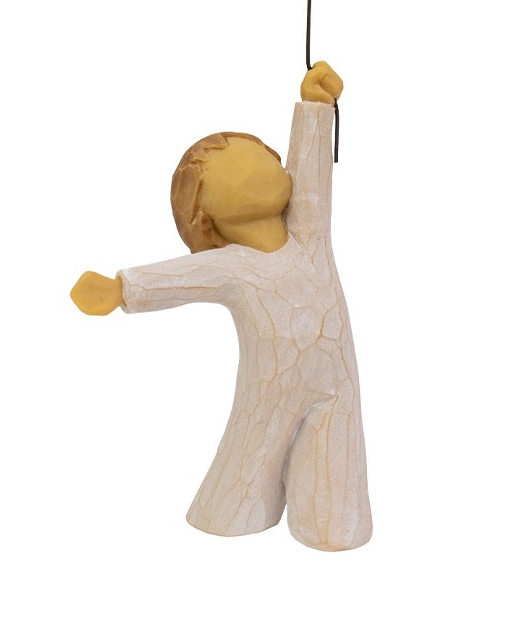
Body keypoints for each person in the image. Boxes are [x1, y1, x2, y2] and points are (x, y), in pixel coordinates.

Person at [71, 62, 372, 550]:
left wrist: (315, 107)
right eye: (235, 167)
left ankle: (333, 526)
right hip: (270, 389)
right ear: (204, 213)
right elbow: (180, 277)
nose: (262, 165)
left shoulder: (309, 237)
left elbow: (314, 182)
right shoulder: (233, 266)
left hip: (338, 386)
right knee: (250, 452)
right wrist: (121, 289)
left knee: (335, 466)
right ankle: (228, 514)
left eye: (263, 155)